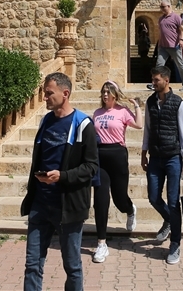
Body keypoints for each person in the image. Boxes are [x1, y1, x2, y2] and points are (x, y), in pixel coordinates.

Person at [21, 72, 98, 291]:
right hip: (40, 204)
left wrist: (62, 176)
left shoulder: (83, 124)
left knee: (72, 266)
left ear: (65, 93)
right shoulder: (46, 121)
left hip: (68, 206)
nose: (44, 98)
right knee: (32, 264)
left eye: (48, 93)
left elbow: (91, 167)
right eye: (44, 93)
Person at [141, 66, 183, 265]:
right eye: (153, 80)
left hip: (172, 157)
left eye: (156, 80)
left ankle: (175, 243)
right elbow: (147, 128)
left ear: (166, 80)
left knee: (173, 202)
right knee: (153, 197)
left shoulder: (178, 103)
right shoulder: (150, 102)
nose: (153, 83)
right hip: (155, 157)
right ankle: (169, 219)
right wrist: (143, 153)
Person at [91, 81, 143, 263]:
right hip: (100, 157)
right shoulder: (97, 113)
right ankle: (101, 243)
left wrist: (136, 106)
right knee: (100, 199)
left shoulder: (122, 111)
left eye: (108, 92)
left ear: (115, 94)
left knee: (119, 199)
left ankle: (130, 210)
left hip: (118, 155)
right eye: (103, 92)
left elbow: (139, 125)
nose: (105, 95)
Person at [156, 0, 183, 90]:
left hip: (174, 46)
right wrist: (159, 44)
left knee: (180, 64)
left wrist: (182, 39)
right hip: (163, 47)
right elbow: (161, 32)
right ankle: (156, 83)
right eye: (161, 7)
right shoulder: (161, 19)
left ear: (168, 6)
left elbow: (182, 28)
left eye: (163, 7)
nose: (162, 9)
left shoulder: (176, 17)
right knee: (159, 65)